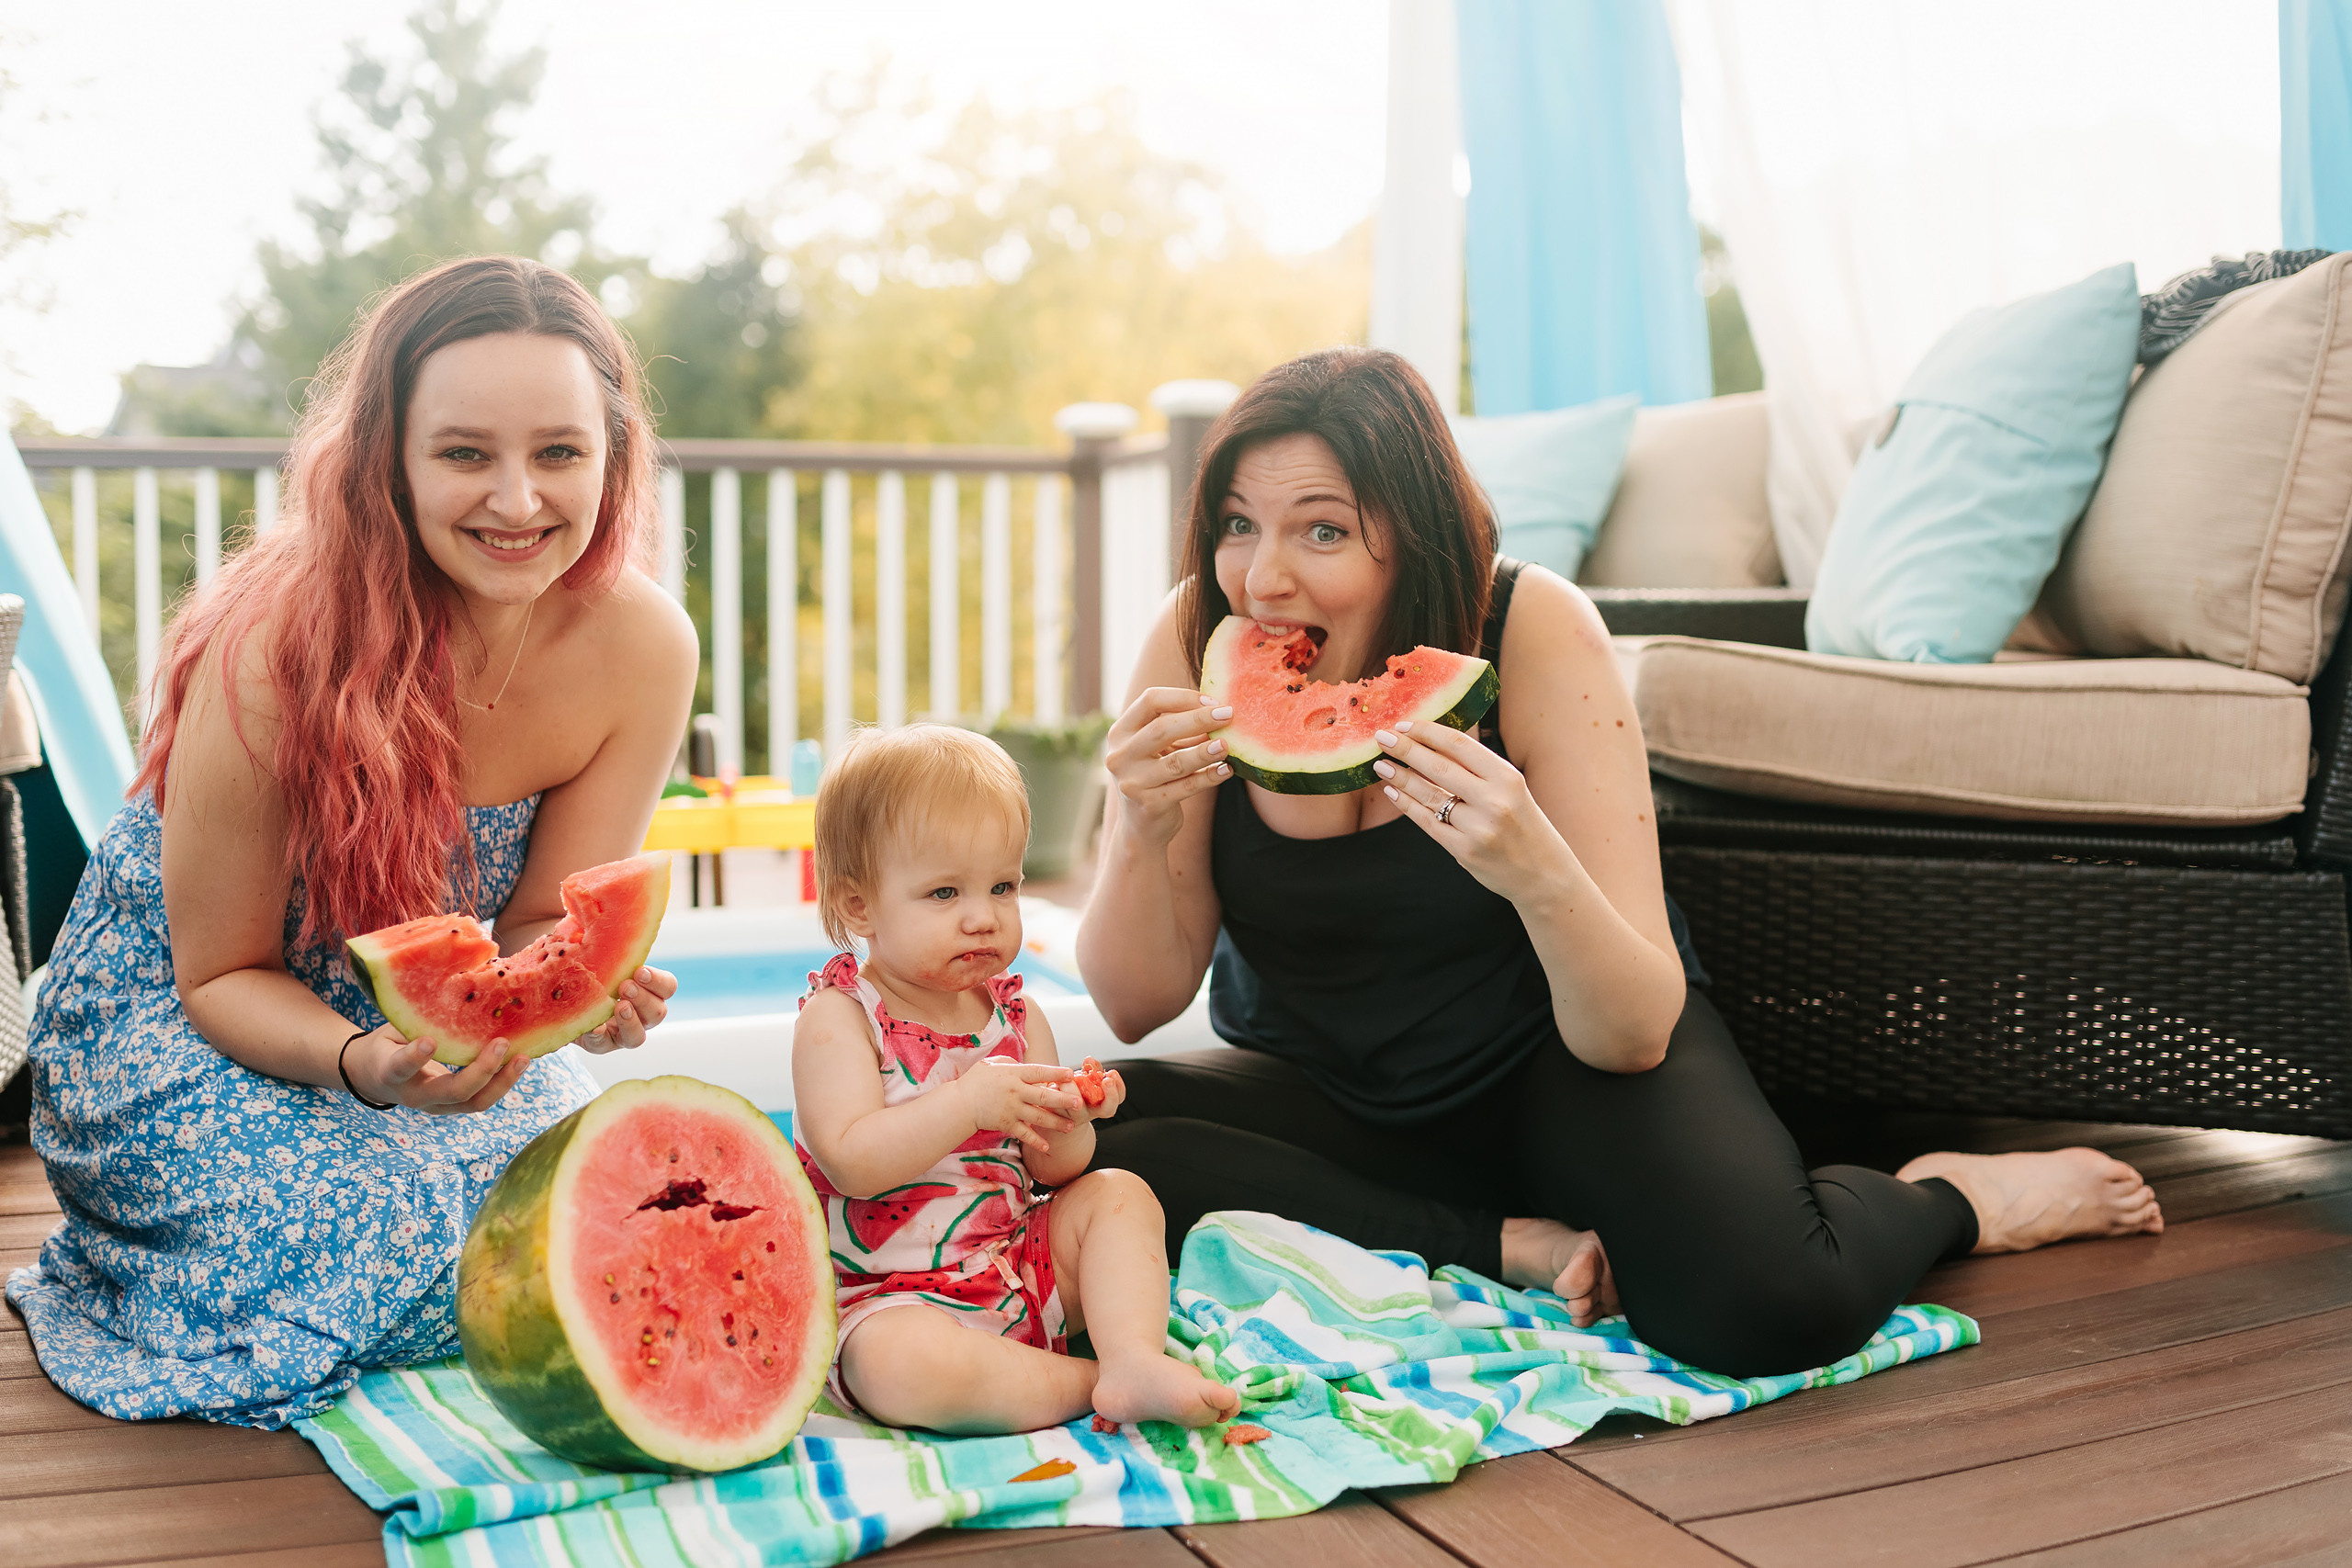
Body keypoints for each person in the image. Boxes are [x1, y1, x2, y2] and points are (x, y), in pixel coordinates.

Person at [1077, 346, 2165, 1379]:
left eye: (1320, 532)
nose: (1263, 578)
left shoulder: (1531, 625)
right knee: (1065, 1131)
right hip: (1336, 1093)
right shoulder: (1197, 635)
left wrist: (1527, 863)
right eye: (1236, 525)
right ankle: (1501, 1241)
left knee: (1767, 1305)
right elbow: (1133, 1004)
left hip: (1566, 1069)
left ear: (1409, 535)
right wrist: (1138, 822)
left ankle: (1952, 1199)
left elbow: (1632, 1028)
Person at [6, 256, 696, 1426]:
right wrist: (359, 1064)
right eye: (466, 453)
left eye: (560, 453)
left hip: (416, 1055)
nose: (519, 501)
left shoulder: (644, 647)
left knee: (639, 1206)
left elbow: (538, 922)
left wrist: (583, 985)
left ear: (614, 457)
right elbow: (219, 971)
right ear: (388, 458)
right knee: (385, 1234)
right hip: (188, 1025)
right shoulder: (271, 646)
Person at [792, 724, 1239, 1433]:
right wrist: (969, 1102)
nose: (982, 916)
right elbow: (852, 1162)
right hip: (886, 1300)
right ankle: (1092, 1378)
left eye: (1002, 885)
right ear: (858, 906)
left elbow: (1056, 1169)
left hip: (1016, 1266)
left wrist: (1071, 1120)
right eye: (944, 892)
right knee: (897, 1366)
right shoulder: (841, 1017)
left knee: (1120, 1194)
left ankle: (1132, 1355)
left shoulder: (1013, 1013)